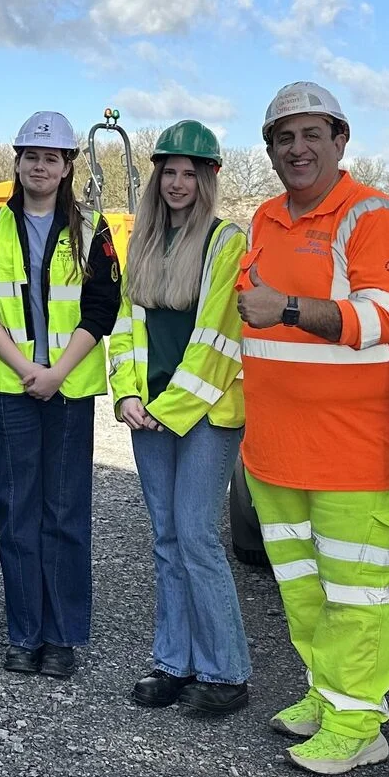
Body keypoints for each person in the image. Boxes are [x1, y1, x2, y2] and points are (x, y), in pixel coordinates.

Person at [237, 81, 389, 775]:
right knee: (305, 592)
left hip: (353, 457)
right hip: (275, 454)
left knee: (358, 599)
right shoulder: (263, 218)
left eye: (312, 134)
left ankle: (359, 725)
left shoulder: (373, 216)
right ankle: (326, 695)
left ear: (340, 140)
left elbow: (385, 320)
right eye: (284, 138)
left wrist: (287, 306)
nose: (297, 148)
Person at [0, 111, 121, 680]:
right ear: (18, 161)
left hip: (69, 389)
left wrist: (57, 372)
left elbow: (102, 306)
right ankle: (24, 632)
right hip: (12, 388)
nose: (39, 166)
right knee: (17, 512)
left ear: (67, 166)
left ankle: (61, 637)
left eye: (51, 158)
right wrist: (28, 368)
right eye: (31, 156)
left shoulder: (93, 228)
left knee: (66, 513)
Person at [107, 120, 252, 713]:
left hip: (206, 413)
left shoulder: (226, 241)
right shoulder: (143, 241)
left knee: (196, 536)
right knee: (166, 538)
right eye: (169, 171)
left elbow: (219, 337)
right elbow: (123, 326)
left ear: (207, 179)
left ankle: (226, 673)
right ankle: (174, 663)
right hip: (149, 413)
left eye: (190, 173)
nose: (177, 182)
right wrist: (126, 395)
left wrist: (166, 410)